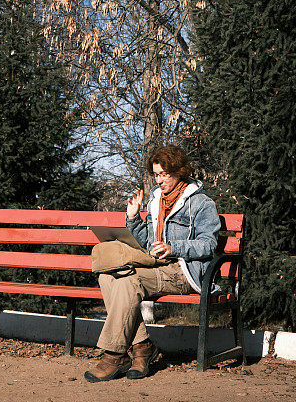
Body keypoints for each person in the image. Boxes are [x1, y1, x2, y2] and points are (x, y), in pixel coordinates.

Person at [84, 144, 221, 383]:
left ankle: (114, 355)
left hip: (184, 271)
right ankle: (142, 346)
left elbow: (208, 245)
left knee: (129, 281)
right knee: (108, 276)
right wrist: (133, 218)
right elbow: (149, 242)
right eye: (156, 174)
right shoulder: (156, 200)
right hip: (157, 266)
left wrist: (174, 247)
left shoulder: (201, 203)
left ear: (179, 171)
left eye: (164, 174)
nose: (159, 180)